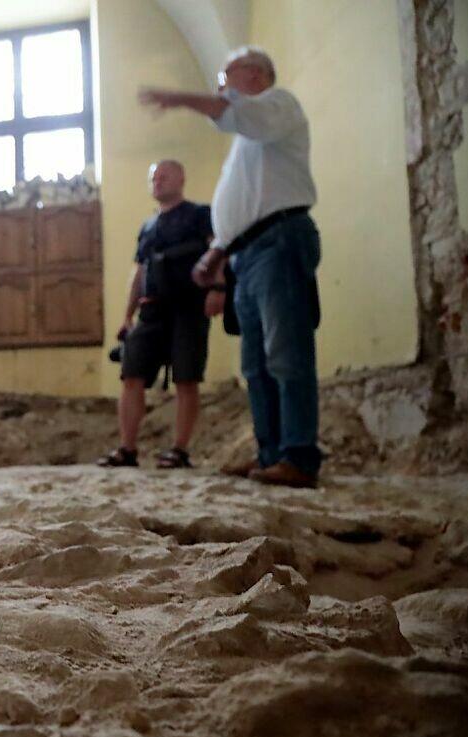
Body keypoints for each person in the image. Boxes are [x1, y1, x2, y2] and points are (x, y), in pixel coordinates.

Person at [139, 46, 322, 489]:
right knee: (256, 363)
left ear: (256, 75)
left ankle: (299, 455)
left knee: (286, 352)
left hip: (278, 241)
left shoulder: (278, 106)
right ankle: (270, 453)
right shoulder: (247, 143)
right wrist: (216, 254)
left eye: (227, 76)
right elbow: (244, 205)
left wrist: (181, 99)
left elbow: (232, 114)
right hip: (246, 252)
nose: (221, 86)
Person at [98, 160, 220, 470]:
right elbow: (140, 271)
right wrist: (127, 315)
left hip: (189, 308)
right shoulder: (148, 226)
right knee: (131, 374)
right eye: (153, 177)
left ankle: (179, 450)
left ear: (181, 179)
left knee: (186, 378)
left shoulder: (200, 215)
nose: (157, 181)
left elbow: (216, 253)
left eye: (164, 176)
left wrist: (218, 289)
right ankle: (127, 449)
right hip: (150, 311)